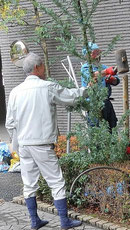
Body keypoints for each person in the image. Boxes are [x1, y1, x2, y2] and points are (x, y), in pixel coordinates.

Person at [5, 52, 88, 230]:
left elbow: (10, 123)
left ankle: (35, 221)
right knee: (56, 181)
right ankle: (64, 221)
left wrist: (17, 144)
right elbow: (72, 97)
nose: (44, 69)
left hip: (24, 145)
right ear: (37, 68)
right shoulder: (47, 87)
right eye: (42, 66)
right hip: (41, 143)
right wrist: (88, 87)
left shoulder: (15, 92)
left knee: (29, 183)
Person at [81, 42, 120, 132]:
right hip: (93, 104)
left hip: (106, 102)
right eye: (94, 52)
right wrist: (106, 72)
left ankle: (112, 145)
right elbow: (92, 76)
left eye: (97, 51)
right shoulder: (85, 68)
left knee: (112, 127)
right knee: (96, 130)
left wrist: (112, 79)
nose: (97, 54)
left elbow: (116, 81)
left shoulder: (103, 67)